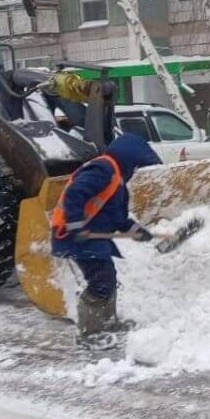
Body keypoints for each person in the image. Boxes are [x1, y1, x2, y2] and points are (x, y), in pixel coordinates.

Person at [50, 132, 162, 350]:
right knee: (100, 281)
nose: (136, 172)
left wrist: (135, 230)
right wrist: (75, 225)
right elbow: (75, 193)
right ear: (130, 159)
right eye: (137, 166)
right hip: (77, 235)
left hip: (92, 237)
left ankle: (108, 322)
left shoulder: (116, 178)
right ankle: (88, 332)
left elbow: (116, 218)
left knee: (107, 278)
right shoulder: (103, 169)